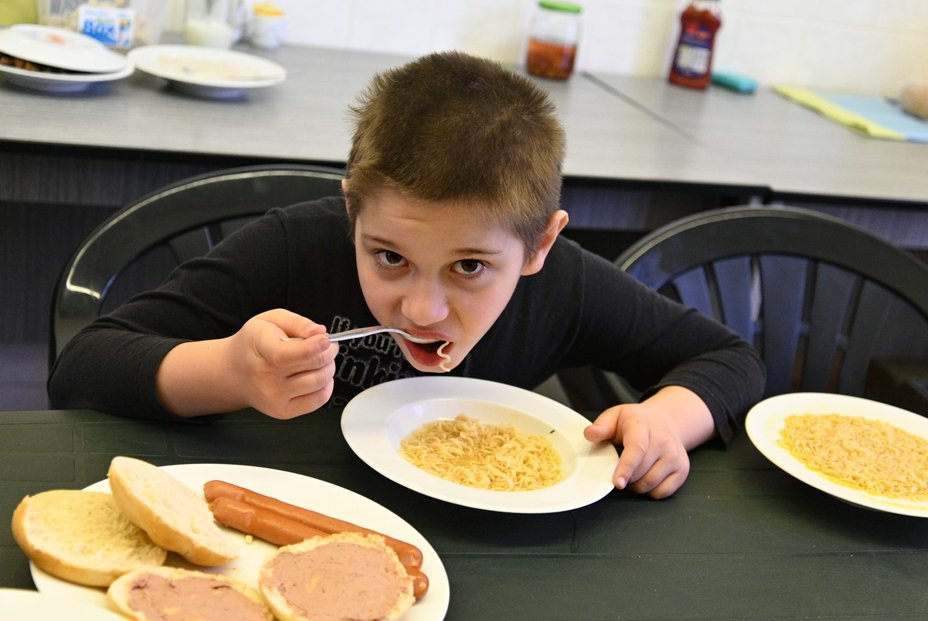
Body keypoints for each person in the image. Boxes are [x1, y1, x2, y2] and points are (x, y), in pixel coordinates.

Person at [49, 51, 765, 499]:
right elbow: (83, 366)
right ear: (351, 213)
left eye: (471, 267)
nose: (421, 307)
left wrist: (667, 419)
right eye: (388, 256)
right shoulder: (302, 246)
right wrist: (230, 372)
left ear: (540, 245)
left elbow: (729, 357)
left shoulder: (565, 285)